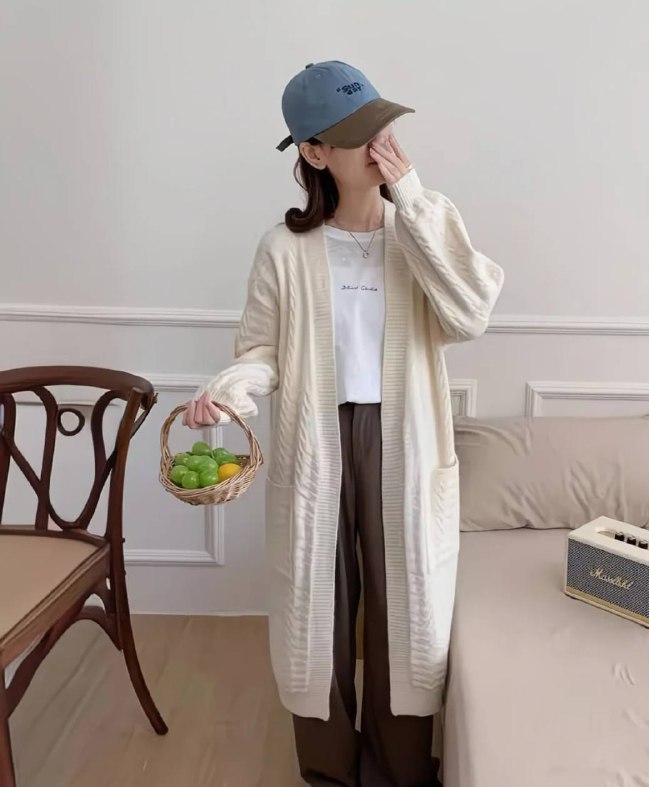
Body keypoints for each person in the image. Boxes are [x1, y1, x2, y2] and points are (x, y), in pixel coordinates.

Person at [184, 60, 504, 787]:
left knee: (408, 611)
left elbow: (471, 313)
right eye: (360, 133)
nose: (380, 144)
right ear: (315, 151)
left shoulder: (418, 231)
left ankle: (401, 769)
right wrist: (229, 391)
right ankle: (328, 769)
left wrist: (412, 197)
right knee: (313, 609)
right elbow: (261, 350)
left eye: (381, 125)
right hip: (316, 442)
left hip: (404, 442)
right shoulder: (284, 248)